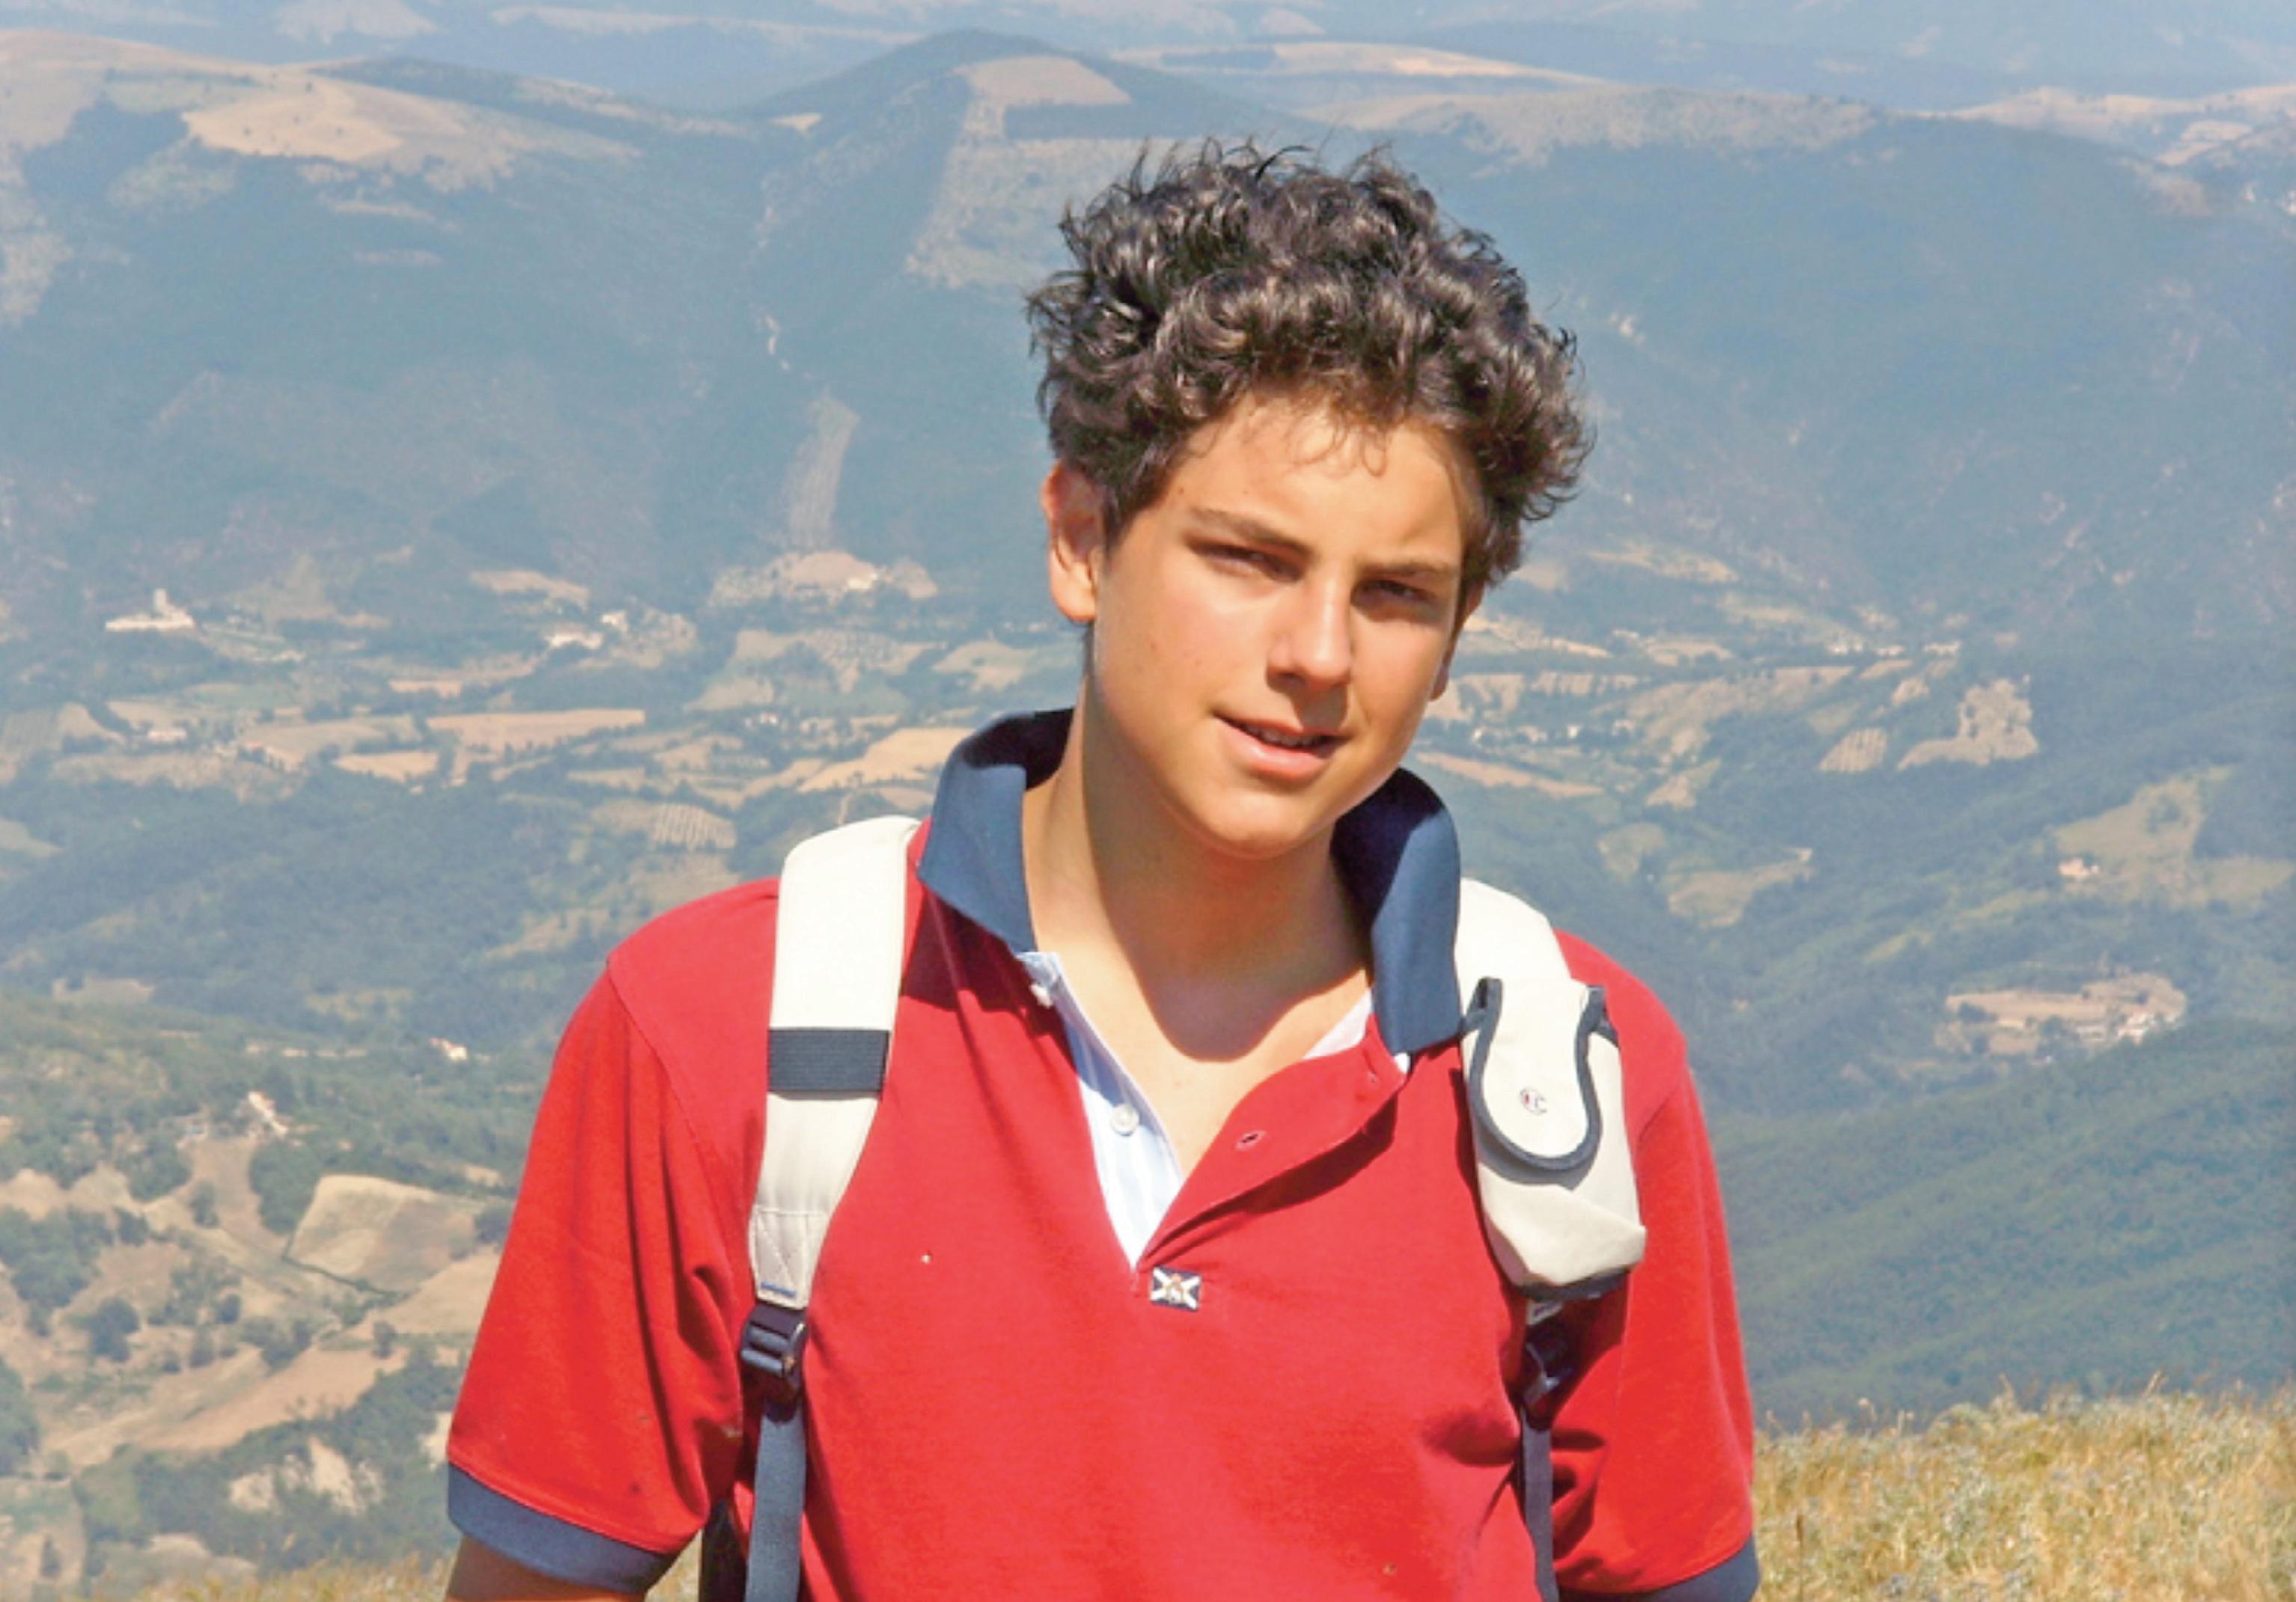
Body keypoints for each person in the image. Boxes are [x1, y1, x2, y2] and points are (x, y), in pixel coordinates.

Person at [442, 143, 1758, 1601]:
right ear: (1080, 540)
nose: (1318, 654)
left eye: (1395, 593)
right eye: (1247, 559)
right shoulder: (723, 1033)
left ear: (1454, 638)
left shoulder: (1572, 1084)